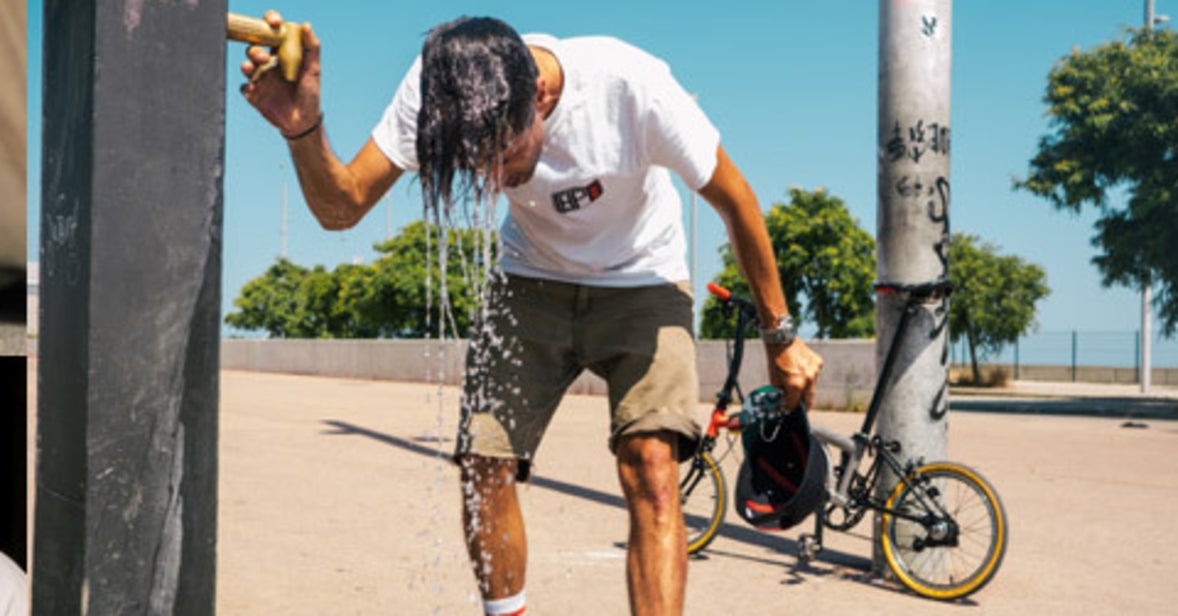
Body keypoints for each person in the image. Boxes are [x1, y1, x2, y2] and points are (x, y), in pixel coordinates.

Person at [241, 12, 823, 616]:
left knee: (651, 468)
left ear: (539, 97)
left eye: (502, 154)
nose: (490, 178)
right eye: (473, 163)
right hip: (530, 279)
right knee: (483, 462)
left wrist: (780, 337)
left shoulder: (631, 86)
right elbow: (343, 207)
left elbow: (737, 199)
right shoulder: (437, 90)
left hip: (644, 276)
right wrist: (303, 128)